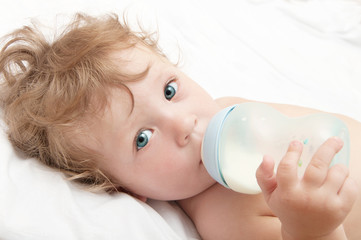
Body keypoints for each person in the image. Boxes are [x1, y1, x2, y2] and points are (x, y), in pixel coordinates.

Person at [0, 13, 360, 240]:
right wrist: (315, 229)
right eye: (143, 138)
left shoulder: (230, 107)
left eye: (170, 90)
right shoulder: (223, 217)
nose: (183, 123)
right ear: (124, 189)